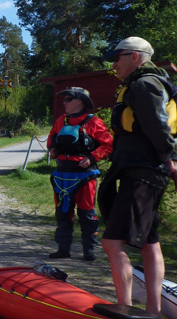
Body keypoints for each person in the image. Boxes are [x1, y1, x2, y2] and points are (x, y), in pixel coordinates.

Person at [99, 37, 177, 314]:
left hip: (143, 171)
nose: (114, 64)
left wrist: (174, 165)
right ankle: (153, 310)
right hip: (142, 170)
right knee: (149, 240)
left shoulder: (144, 84)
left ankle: (126, 308)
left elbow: (158, 127)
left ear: (136, 57)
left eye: (118, 57)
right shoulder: (145, 83)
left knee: (112, 241)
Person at [47, 87, 113, 261]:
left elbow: (108, 144)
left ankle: (89, 251)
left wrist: (92, 158)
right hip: (62, 174)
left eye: (68, 99)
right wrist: (52, 148)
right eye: (65, 99)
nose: (64, 103)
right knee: (62, 212)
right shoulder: (62, 120)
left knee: (87, 214)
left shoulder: (95, 122)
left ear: (80, 101)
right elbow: (52, 136)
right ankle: (63, 249)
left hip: (84, 175)